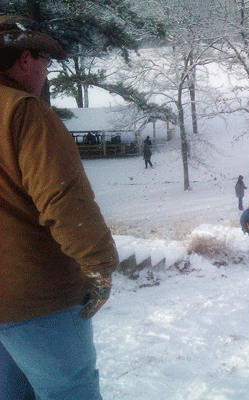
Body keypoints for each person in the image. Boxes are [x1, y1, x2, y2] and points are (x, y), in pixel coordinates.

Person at [0, 15, 118, 400]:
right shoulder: (23, 111)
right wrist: (100, 265)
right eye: (45, 61)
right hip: (36, 297)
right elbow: (63, 199)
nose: (47, 71)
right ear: (24, 60)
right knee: (70, 391)